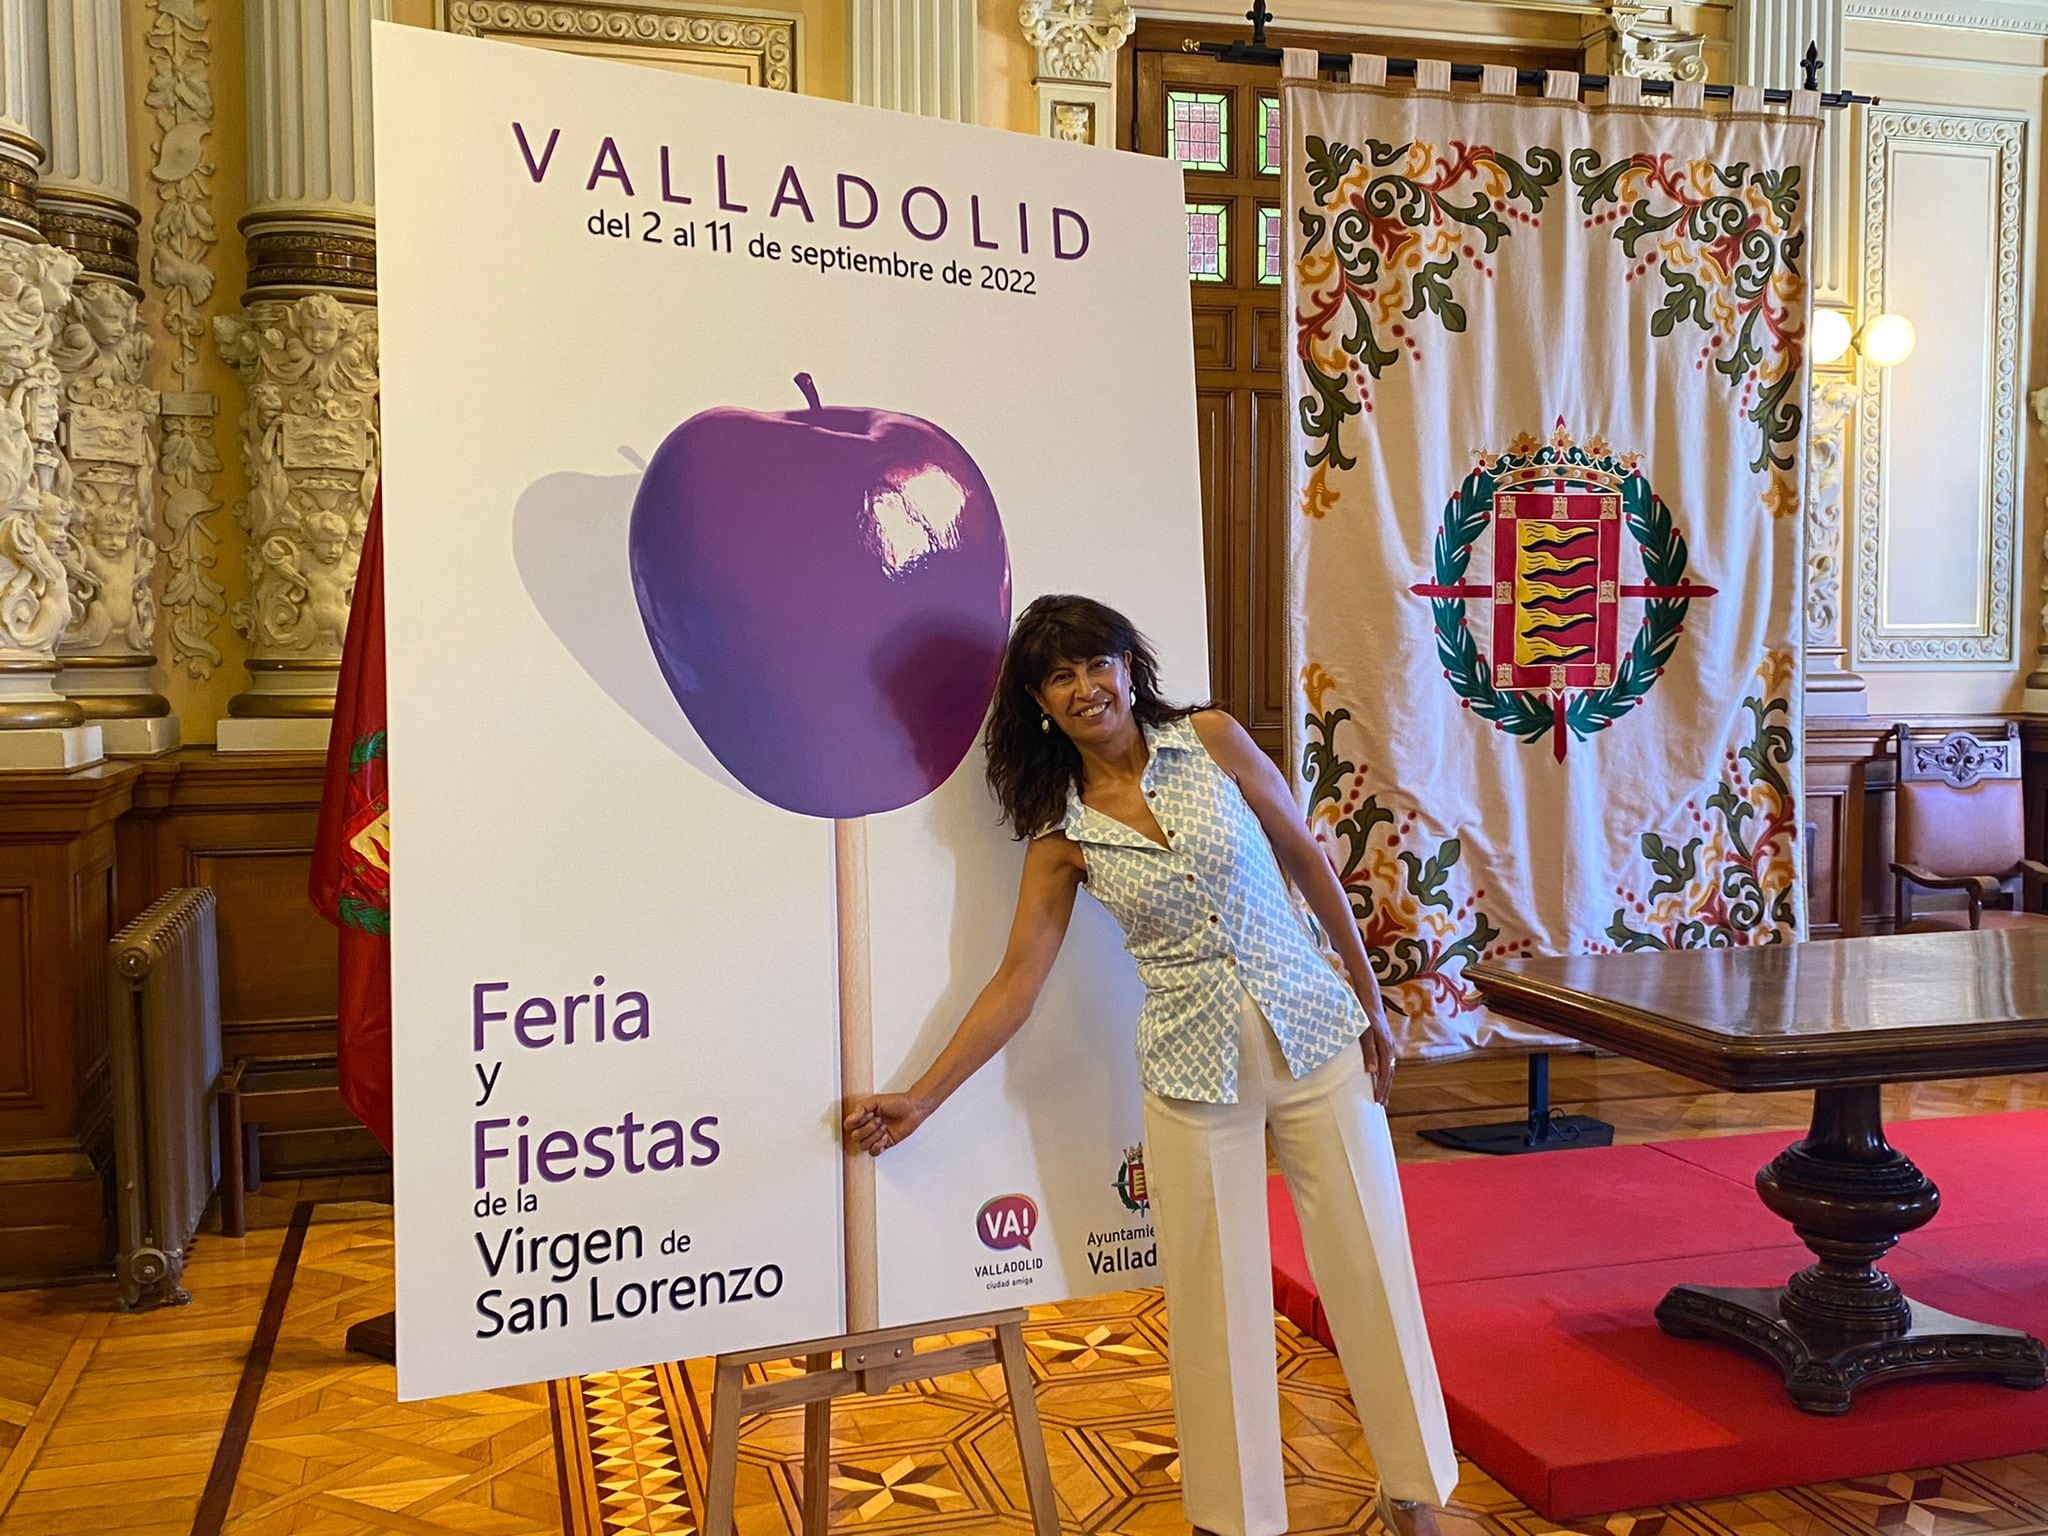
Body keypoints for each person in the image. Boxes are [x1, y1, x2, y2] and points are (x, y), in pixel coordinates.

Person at [844, 594, 1458, 1536]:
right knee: (1213, 1301)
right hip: (1191, 1069)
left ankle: (1415, 1493)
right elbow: (1016, 982)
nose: (1086, 688)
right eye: (1059, 676)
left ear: (1130, 666)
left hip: (1313, 1030)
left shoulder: (1211, 740)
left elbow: (1308, 861)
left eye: (1097, 663)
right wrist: (922, 1097)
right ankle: (1236, 1518)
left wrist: (1371, 1001)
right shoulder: (1062, 837)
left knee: (1371, 1261)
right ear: (1040, 705)